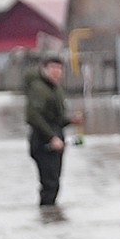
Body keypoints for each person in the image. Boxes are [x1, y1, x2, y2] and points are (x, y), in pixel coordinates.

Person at [24, 54, 80, 207]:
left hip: (55, 138)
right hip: (43, 142)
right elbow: (33, 116)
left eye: (60, 68)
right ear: (44, 69)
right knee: (50, 184)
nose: (57, 72)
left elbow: (57, 119)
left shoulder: (55, 89)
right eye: (53, 68)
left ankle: (49, 218)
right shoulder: (39, 88)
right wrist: (51, 138)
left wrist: (70, 120)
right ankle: (47, 220)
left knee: (54, 183)